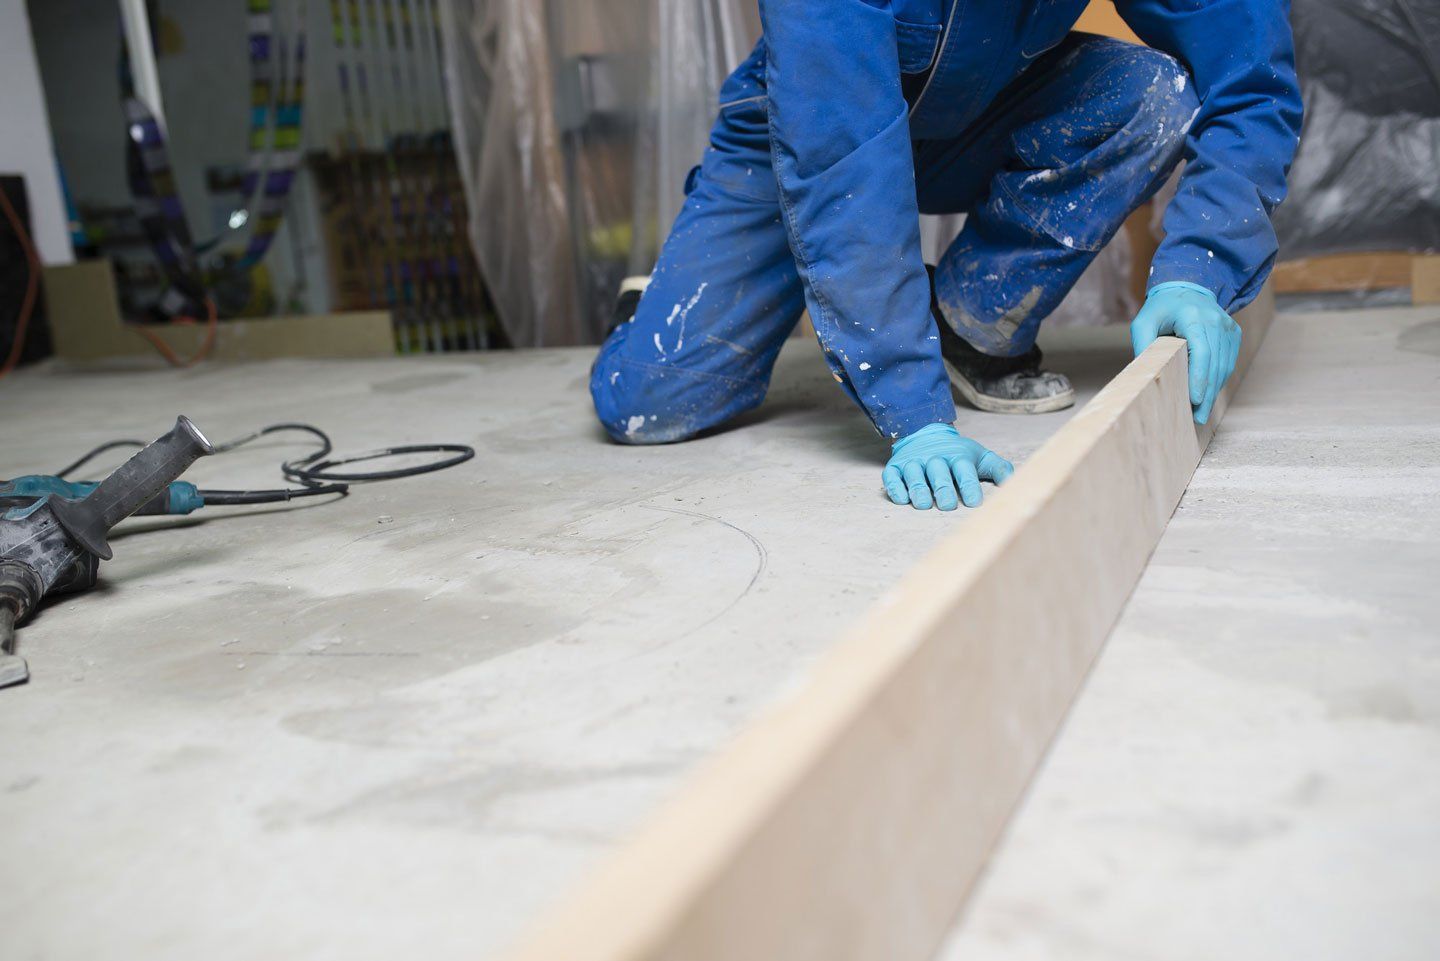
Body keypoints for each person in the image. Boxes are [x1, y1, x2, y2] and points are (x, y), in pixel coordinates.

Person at [590, 0, 1303, 511]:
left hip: (987, 107)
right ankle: (657, 301)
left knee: (1154, 95)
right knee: (650, 405)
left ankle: (965, 323)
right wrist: (913, 411)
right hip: (807, 132)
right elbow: (844, 169)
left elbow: (1251, 76)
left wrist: (1200, 267)